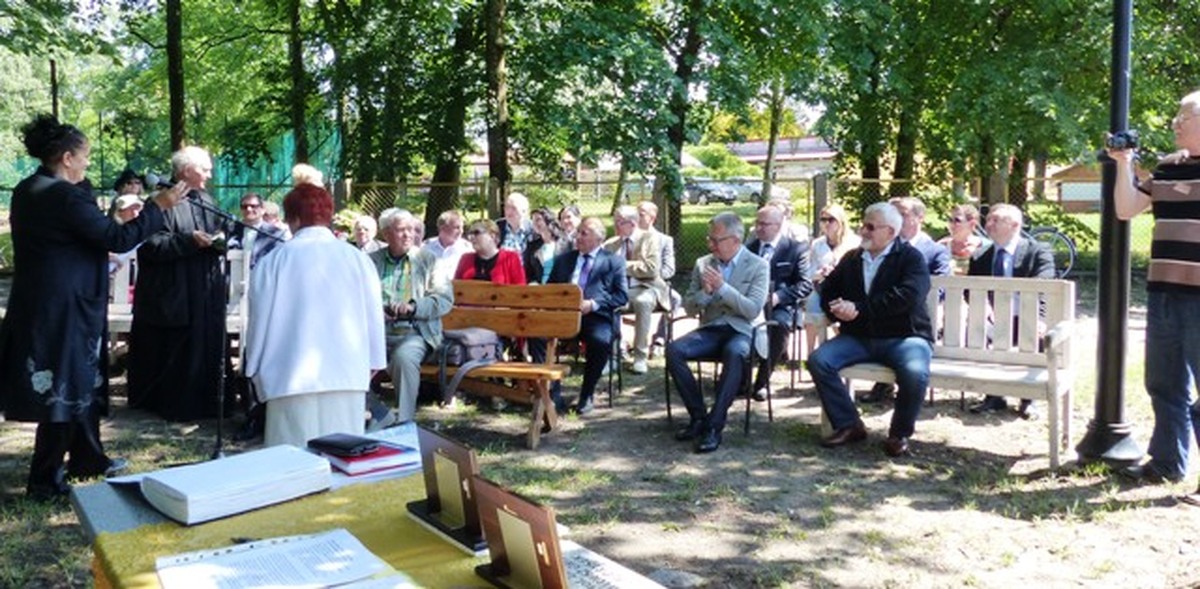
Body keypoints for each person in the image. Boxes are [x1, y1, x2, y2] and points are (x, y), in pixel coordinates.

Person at [0, 114, 185, 499]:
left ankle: (87, 458)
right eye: (83, 156)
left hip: (47, 302)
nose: (87, 162)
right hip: (64, 307)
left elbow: (79, 229)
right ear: (67, 158)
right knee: (63, 388)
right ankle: (44, 479)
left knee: (80, 379)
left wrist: (99, 204)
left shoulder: (29, 188)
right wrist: (157, 207)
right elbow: (116, 239)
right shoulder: (64, 196)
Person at [242, 184, 386, 448]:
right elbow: (374, 317)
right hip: (347, 373)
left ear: (293, 218)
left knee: (292, 458)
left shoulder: (274, 261)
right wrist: (374, 361)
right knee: (343, 456)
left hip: (288, 374)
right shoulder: (357, 259)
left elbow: (259, 320)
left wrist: (252, 366)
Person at [1109, 90, 1200, 494]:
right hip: (1163, 293)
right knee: (1163, 384)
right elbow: (1126, 209)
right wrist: (1123, 164)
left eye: (1184, 117)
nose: (1175, 123)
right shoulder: (1167, 167)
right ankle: (1166, 464)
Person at [806, 202, 933, 458]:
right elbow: (829, 289)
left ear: (891, 232)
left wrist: (859, 309)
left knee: (915, 373)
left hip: (905, 338)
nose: (863, 231)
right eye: (863, 225)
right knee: (819, 360)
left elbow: (907, 297)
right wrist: (837, 309)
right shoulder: (852, 258)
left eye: (870, 227)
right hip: (859, 337)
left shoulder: (911, 258)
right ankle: (849, 425)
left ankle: (898, 434)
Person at [127, 145, 231, 422]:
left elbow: (221, 230)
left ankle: (208, 403)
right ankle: (175, 405)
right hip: (175, 292)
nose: (209, 175)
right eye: (204, 169)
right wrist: (188, 240)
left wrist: (219, 239)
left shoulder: (205, 200)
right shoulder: (160, 202)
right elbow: (151, 245)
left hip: (204, 291)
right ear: (186, 171)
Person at [666, 212, 769, 453]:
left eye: (716, 240)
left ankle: (714, 426)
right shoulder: (703, 263)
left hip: (745, 330)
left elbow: (752, 310)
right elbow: (689, 308)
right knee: (674, 350)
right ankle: (698, 417)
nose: (711, 245)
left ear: (735, 241)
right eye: (709, 239)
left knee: (735, 352)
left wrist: (723, 288)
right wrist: (706, 293)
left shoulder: (758, 265)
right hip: (713, 329)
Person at [966, 203, 1056, 419]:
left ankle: (1028, 399)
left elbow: (1044, 285)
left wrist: (1039, 318)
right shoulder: (980, 255)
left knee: (1033, 333)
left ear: (1015, 225)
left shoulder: (1037, 251)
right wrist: (982, 307)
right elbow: (970, 290)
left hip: (1026, 315)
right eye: (988, 219)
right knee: (979, 331)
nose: (989, 224)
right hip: (995, 318)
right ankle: (994, 396)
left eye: (996, 220)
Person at [860, 196, 951, 403]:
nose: (897, 218)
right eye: (894, 213)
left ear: (920, 218)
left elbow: (940, 287)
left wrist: (911, 297)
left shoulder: (934, 250)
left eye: (903, 214)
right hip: (881, 313)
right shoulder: (877, 248)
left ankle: (904, 395)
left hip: (918, 315)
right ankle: (883, 384)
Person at [367, 209, 453, 426]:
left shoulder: (428, 260)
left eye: (412, 229)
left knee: (404, 358)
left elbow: (444, 299)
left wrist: (413, 308)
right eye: (401, 230)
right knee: (349, 356)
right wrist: (376, 312)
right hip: (376, 332)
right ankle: (377, 415)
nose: (408, 235)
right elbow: (355, 297)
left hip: (415, 332)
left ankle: (404, 422)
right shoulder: (370, 261)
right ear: (386, 234)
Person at [546, 217, 628, 414]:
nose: (578, 237)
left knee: (600, 342)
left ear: (599, 239)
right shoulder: (564, 260)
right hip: (564, 316)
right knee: (538, 338)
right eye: (578, 232)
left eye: (584, 233)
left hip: (595, 317)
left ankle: (587, 393)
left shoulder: (613, 262)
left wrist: (593, 304)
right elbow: (549, 290)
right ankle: (552, 393)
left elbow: (621, 296)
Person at [745, 204, 812, 400]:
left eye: (764, 224)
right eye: (757, 223)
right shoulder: (748, 249)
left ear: (778, 225)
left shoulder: (795, 249)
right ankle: (740, 379)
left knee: (779, 325)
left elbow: (805, 285)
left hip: (780, 306)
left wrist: (778, 297)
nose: (759, 228)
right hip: (750, 304)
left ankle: (762, 381)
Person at [603, 205, 667, 374]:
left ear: (632, 223)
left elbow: (651, 269)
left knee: (643, 302)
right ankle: (613, 356)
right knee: (608, 304)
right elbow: (603, 269)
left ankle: (640, 357)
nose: (615, 226)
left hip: (646, 287)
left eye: (619, 222)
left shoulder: (649, 239)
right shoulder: (610, 244)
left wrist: (621, 265)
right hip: (620, 290)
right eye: (615, 221)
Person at [803, 204, 861, 363]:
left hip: (846, 290)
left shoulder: (854, 243)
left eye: (831, 219)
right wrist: (821, 272)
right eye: (823, 220)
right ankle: (811, 355)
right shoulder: (817, 244)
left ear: (841, 221)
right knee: (812, 305)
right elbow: (809, 272)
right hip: (822, 288)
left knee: (840, 315)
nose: (826, 223)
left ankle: (841, 354)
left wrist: (837, 271)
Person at [640, 201, 681, 353]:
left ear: (652, 218)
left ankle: (660, 337)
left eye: (641, 214)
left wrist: (650, 276)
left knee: (675, 299)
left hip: (655, 285)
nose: (637, 217)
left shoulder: (664, 240)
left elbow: (669, 269)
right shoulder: (628, 238)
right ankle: (620, 341)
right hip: (631, 283)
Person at [455, 219, 526, 284]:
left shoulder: (511, 258)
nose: (471, 237)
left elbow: (520, 290)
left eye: (476, 233)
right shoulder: (466, 259)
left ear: (492, 236)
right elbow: (455, 287)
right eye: (470, 234)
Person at [229, 192, 285, 269]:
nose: (248, 209)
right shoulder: (231, 230)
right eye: (244, 207)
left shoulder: (275, 234)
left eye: (253, 206)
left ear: (263, 210)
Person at [421, 210, 471, 284]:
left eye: (462, 228)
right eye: (457, 227)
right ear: (443, 228)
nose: (461, 231)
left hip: (457, 288)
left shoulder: (467, 249)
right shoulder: (426, 247)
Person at [938, 203, 986, 275]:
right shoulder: (941, 246)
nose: (951, 224)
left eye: (957, 220)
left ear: (972, 224)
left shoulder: (985, 247)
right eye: (950, 220)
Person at [523, 208, 561, 284]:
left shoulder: (566, 243)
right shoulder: (532, 246)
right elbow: (527, 272)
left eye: (538, 220)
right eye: (533, 221)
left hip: (561, 286)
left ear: (548, 219)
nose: (535, 224)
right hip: (540, 288)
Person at [497, 192, 533, 258]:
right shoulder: (497, 227)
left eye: (514, 208)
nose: (509, 211)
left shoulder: (533, 229)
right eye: (507, 207)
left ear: (524, 211)